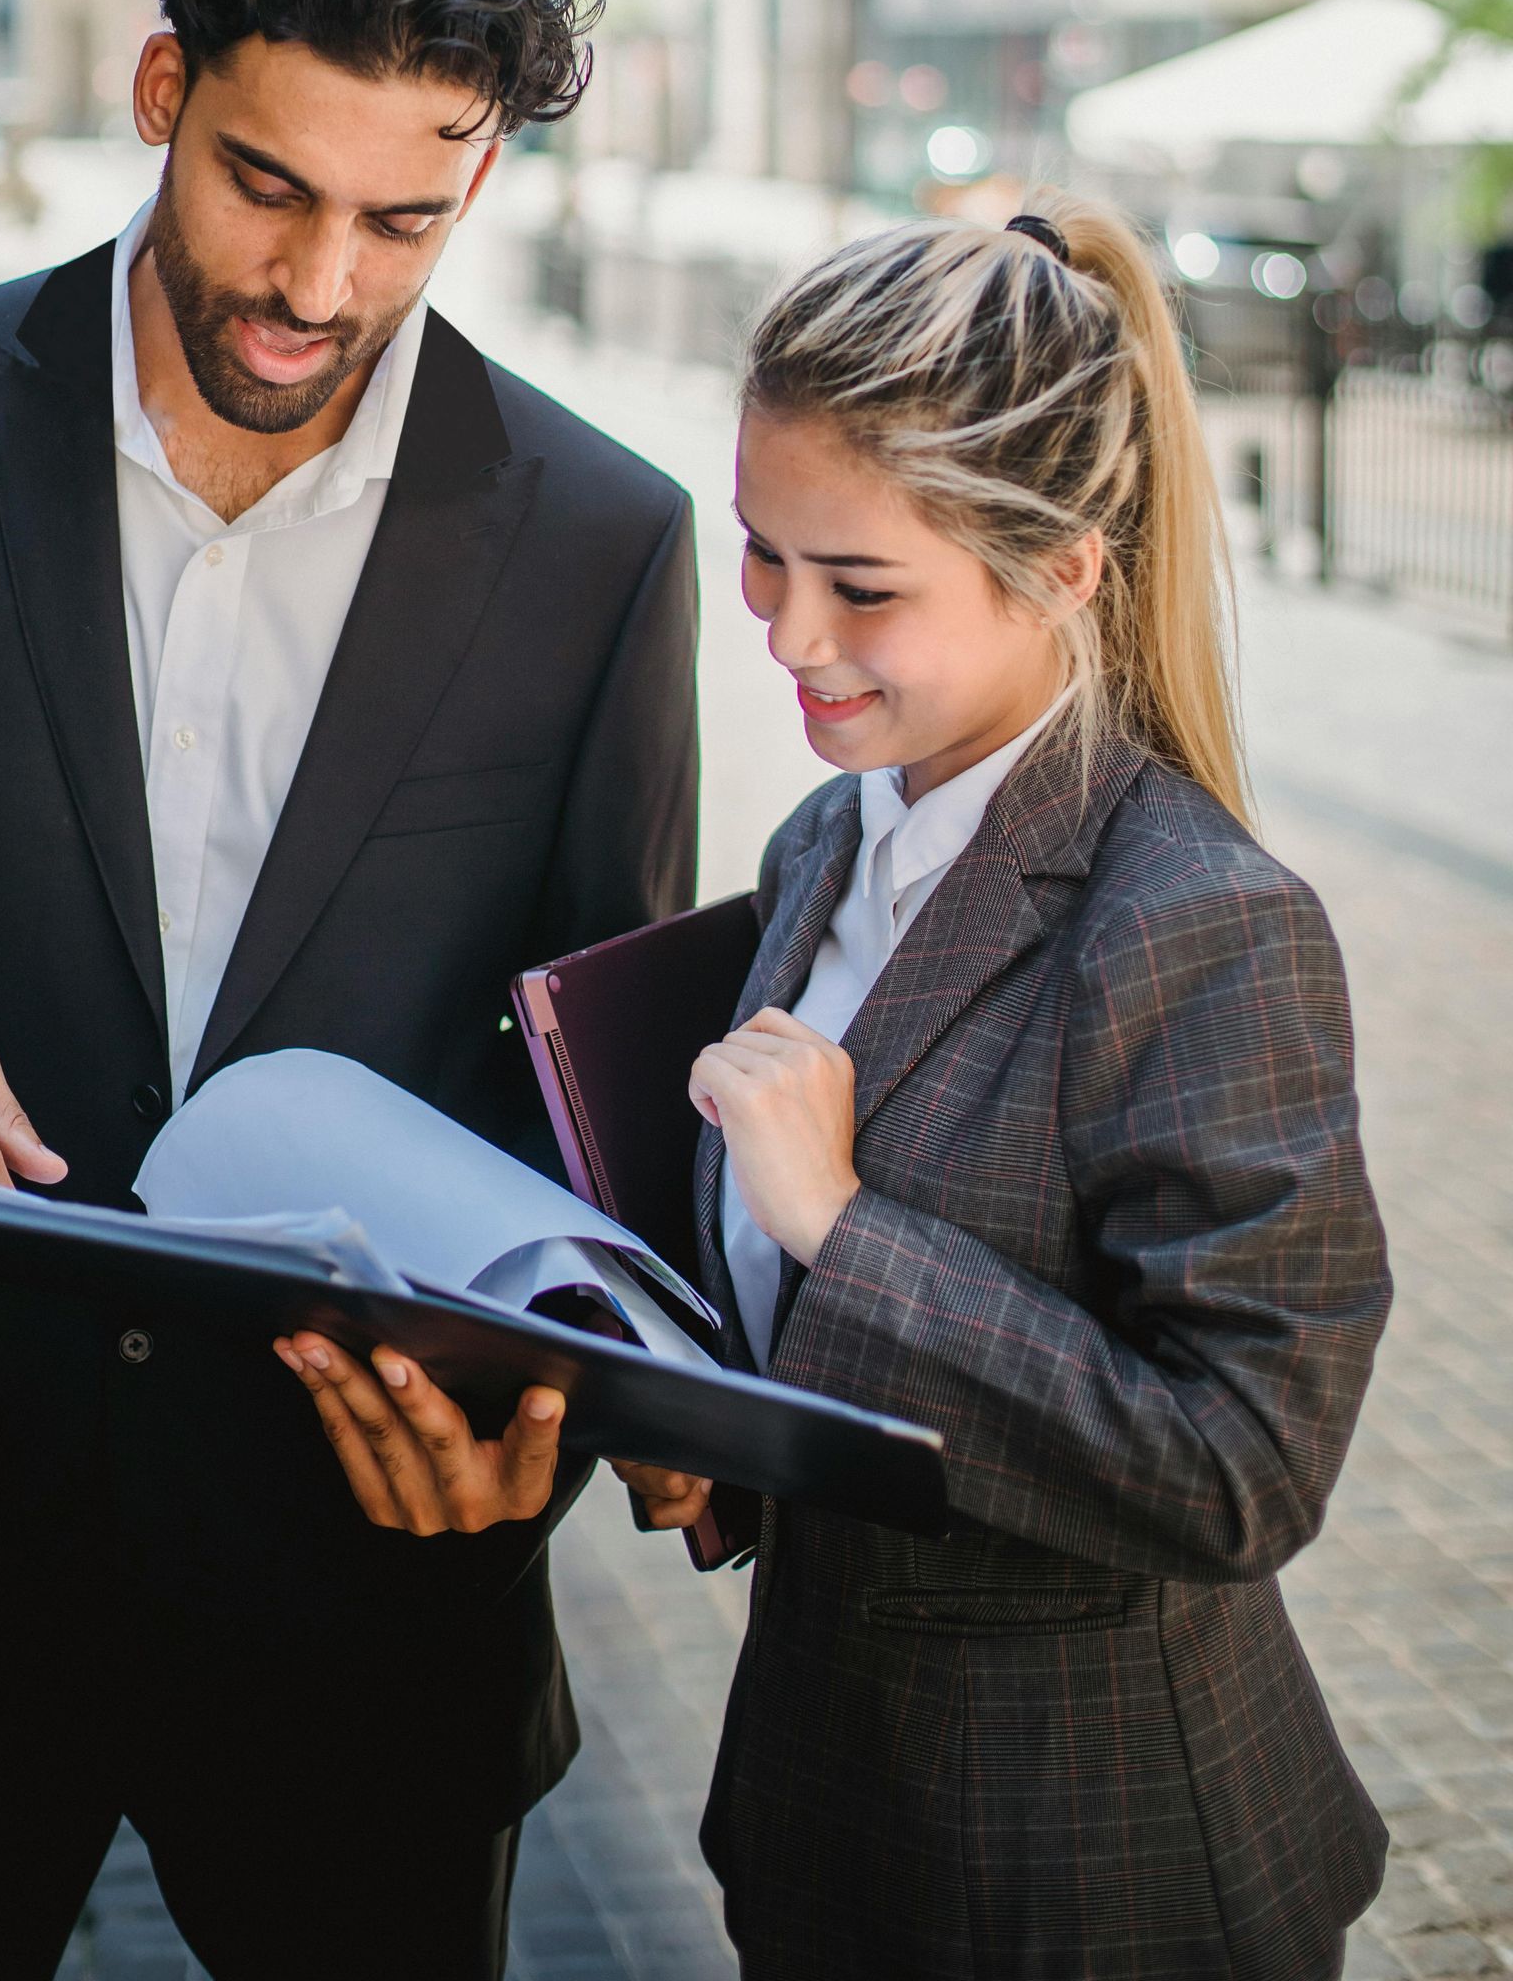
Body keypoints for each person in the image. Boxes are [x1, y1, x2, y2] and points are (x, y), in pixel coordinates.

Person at [0, 0, 700, 1981]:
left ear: (480, 182)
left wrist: (551, 1425)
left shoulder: (607, 542)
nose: (320, 285)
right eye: (265, 184)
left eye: (402, 217)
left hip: (364, 1618)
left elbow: (594, 1125)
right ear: (161, 96)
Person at [280, 197, 1392, 1981]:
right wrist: (719, 1441)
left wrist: (844, 1228)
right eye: (760, 552)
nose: (789, 638)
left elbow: (1242, 1471)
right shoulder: (824, 840)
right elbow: (855, 1376)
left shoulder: (1206, 927)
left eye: (864, 585)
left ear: (1064, 572)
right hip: (825, 1825)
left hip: (1093, 1882)